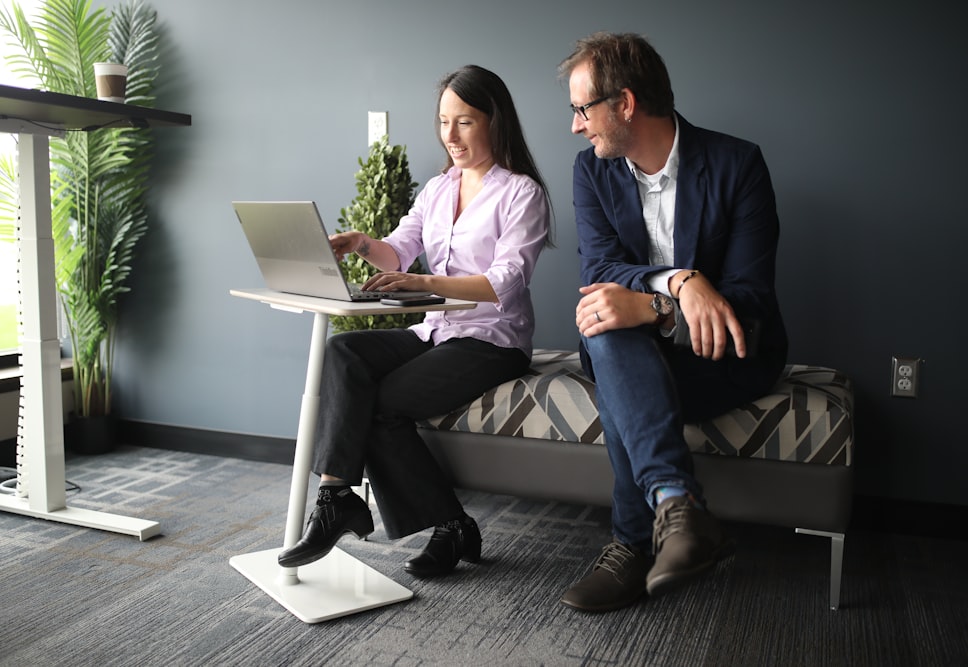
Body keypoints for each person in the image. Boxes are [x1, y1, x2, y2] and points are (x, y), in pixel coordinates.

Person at [277, 64, 551, 577]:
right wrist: (360, 243)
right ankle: (337, 496)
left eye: (464, 122)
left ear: (495, 121)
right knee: (344, 351)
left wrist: (424, 284)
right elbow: (399, 252)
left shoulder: (521, 194)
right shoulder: (437, 189)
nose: (450, 135)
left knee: (378, 406)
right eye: (444, 121)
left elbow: (504, 281)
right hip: (436, 331)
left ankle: (448, 526)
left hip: (492, 340)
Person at [557, 32, 788, 611]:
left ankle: (633, 543)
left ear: (625, 104)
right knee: (605, 321)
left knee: (614, 354)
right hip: (634, 350)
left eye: (582, 109)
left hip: (724, 358)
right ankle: (678, 509)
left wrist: (652, 307)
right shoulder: (592, 173)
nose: (576, 125)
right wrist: (677, 285)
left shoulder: (738, 164)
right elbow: (602, 269)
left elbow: (749, 300)